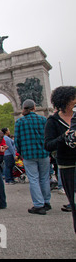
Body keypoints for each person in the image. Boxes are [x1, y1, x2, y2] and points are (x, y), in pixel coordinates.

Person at [44, 86, 76, 232]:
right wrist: (64, 137)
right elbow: (48, 145)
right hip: (68, 165)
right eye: (73, 98)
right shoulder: (53, 121)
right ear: (65, 100)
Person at [15, 99, 50, 215]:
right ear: (34, 108)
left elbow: (17, 140)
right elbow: (48, 137)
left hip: (29, 154)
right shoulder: (43, 120)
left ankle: (38, 204)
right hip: (43, 153)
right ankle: (46, 202)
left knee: (34, 179)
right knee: (44, 178)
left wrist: (20, 153)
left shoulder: (19, 122)